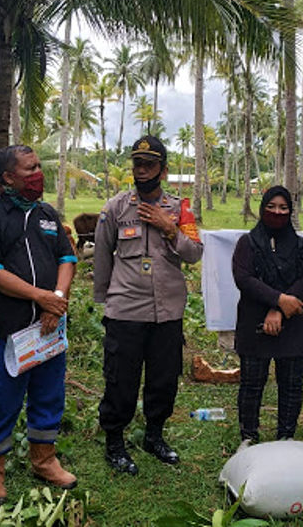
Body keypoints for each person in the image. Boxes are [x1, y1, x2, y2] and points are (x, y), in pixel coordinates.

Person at [0, 145, 78, 503]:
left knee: (49, 395)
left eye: (38, 167)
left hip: (48, 328)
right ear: (8, 178)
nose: (37, 175)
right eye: (29, 169)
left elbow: (66, 258)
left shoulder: (48, 214)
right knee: (2, 400)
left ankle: (44, 460)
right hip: (3, 329)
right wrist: (39, 296)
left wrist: (56, 300)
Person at [93, 135, 203, 475]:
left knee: (164, 379)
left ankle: (154, 436)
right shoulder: (115, 208)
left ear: (163, 170)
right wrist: (105, 301)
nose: (142, 171)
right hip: (125, 310)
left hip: (167, 311)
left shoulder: (179, 209)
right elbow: (101, 257)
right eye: (137, 164)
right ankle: (115, 441)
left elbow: (195, 254)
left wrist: (170, 229)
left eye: (149, 165)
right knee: (120, 379)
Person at [232, 186, 303, 444]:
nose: (277, 213)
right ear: (262, 208)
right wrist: (278, 300)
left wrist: (280, 309)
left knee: (291, 383)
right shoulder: (246, 243)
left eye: (283, 208)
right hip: (254, 319)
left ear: (290, 212)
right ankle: (248, 436)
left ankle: (286, 437)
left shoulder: (301, 245)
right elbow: (244, 279)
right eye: (271, 207)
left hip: (294, 319)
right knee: (252, 382)